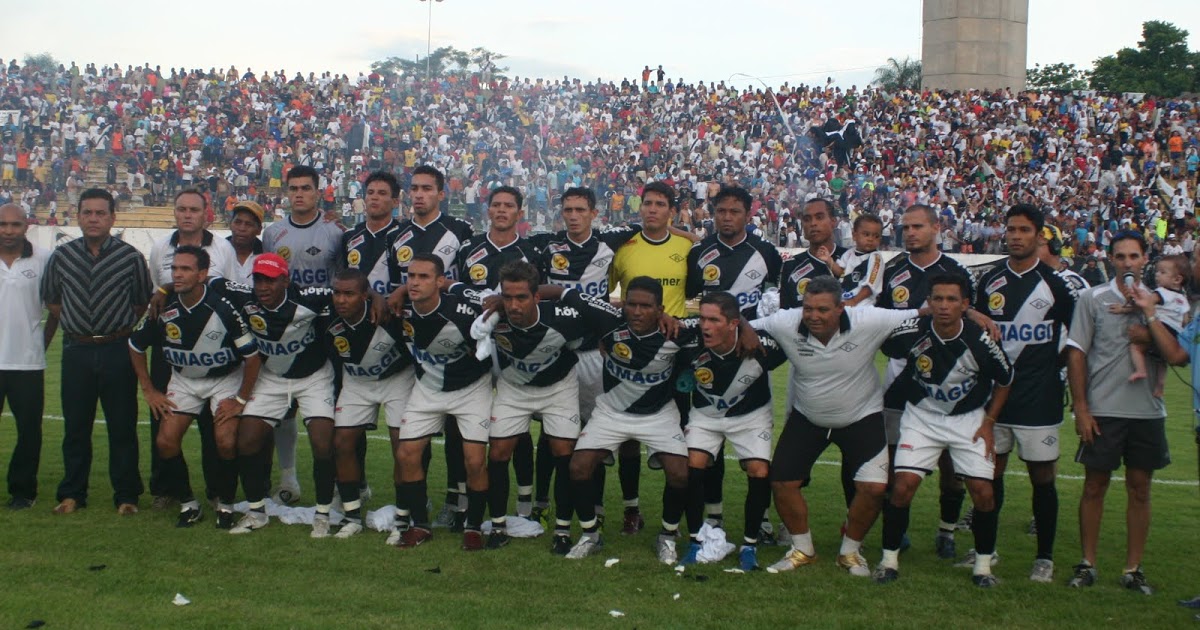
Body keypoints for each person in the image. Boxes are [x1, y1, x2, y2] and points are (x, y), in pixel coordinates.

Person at [751, 277, 919, 576]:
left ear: (842, 308)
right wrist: (741, 329)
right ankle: (803, 549)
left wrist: (974, 313)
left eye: (823, 310)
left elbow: (925, 312)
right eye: (808, 308)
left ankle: (850, 552)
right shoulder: (785, 321)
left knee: (873, 488)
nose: (814, 316)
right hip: (808, 417)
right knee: (781, 482)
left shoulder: (869, 319)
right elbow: (741, 323)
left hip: (861, 416)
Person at [1065, 231, 1189, 594]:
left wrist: (1149, 321)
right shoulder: (1092, 297)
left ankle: (1133, 569)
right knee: (1094, 486)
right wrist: (1082, 407)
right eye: (1120, 256)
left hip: (1148, 409)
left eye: (1134, 256)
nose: (1127, 263)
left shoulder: (1162, 301)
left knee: (1140, 489)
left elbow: (1175, 353)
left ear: (1145, 259)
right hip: (1103, 408)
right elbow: (1076, 352)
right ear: (1111, 259)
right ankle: (1087, 563)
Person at [876, 273, 1013, 587]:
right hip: (921, 418)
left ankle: (982, 568)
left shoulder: (980, 340)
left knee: (984, 493)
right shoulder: (912, 332)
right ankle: (888, 562)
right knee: (902, 487)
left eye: (952, 299)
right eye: (937, 298)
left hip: (968, 420)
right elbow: (879, 339)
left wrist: (989, 423)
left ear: (965, 304)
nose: (943, 305)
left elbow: (1005, 381)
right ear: (929, 302)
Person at [561, 277, 701, 564]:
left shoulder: (677, 332)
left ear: (660, 309)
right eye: (631, 304)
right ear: (622, 304)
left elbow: (721, 326)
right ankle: (590, 535)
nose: (637, 311)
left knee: (680, 474)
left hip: (658, 414)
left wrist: (746, 327)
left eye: (646, 306)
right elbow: (562, 292)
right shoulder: (608, 320)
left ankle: (668, 535)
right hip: (611, 411)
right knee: (578, 467)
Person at [971, 204, 1077, 582]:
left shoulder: (1057, 284)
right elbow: (973, 323)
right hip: (994, 397)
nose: (1016, 236)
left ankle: (1044, 558)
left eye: (1024, 230)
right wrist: (974, 314)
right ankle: (986, 550)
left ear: (1039, 235)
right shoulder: (989, 280)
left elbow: (1079, 338)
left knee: (1042, 477)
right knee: (990, 474)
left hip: (1040, 398)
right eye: (1011, 229)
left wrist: (1056, 365)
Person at [128, 246, 261, 529]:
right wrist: (149, 390)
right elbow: (135, 346)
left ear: (202, 274)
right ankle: (188, 503)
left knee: (225, 440)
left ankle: (225, 504)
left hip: (224, 379)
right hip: (184, 380)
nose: (177, 274)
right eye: (175, 268)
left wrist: (240, 399)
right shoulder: (162, 307)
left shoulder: (223, 307)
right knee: (165, 442)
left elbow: (251, 358)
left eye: (186, 269)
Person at [876, 203, 982, 559]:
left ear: (936, 228)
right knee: (893, 463)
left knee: (951, 468)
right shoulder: (892, 271)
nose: (910, 233)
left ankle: (947, 531)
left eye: (918, 226)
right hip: (899, 374)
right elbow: (879, 319)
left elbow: (969, 320)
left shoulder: (955, 271)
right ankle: (897, 534)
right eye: (906, 227)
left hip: (946, 377)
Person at [212, 253, 342, 537]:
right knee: (246, 441)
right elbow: (210, 283)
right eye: (258, 279)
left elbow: (350, 291)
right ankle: (257, 511)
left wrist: (379, 297)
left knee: (322, 442)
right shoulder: (246, 299)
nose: (263, 287)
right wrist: (164, 289)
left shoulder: (310, 297)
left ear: (286, 280)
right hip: (271, 377)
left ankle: (323, 513)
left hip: (314, 377)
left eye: (270, 280)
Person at [42, 188, 153, 515]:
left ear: (112, 218)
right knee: (76, 427)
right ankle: (72, 493)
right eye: (87, 212)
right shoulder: (62, 257)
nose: (93, 219)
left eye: (100, 213)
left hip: (118, 350)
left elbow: (141, 302)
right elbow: (51, 299)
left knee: (123, 426)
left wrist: (112, 328)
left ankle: (127, 496)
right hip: (76, 350)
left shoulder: (130, 257)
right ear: (77, 216)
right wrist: (80, 325)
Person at [471, 261, 593, 552]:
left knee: (564, 453)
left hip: (559, 386)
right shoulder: (491, 317)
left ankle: (562, 530)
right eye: (508, 297)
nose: (514, 304)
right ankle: (498, 526)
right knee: (498, 452)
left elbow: (589, 332)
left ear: (537, 297)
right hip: (514, 387)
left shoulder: (564, 318)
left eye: (522, 297)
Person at [684, 185, 782, 539]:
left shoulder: (766, 252)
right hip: (712, 354)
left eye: (734, 211)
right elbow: (692, 302)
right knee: (709, 443)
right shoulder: (700, 253)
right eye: (721, 211)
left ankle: (764, 519)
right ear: (713, 213)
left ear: (747, 213)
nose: (727, 217)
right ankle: (714, 515)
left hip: (752, 355)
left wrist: (752, 331)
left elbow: (774, 300)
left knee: (755, 448)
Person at [386, 165, 475, 531]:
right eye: (415, 188)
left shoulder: (462, 232)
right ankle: (416, 500)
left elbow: (469, 282)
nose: (419, 194)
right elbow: (395, 285)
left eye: (427, 188)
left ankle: (457, 501)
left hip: (452, 338)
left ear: (441, 193)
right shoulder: (398, 235)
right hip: (413, 341)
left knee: (457, 429)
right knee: (416, 429)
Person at [606, 181, 693, 534]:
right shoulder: (623, 248)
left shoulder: (688, 247)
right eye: (647, 203)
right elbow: (608, 293)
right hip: (631, 350)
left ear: (671, 211)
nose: (652, 209)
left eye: (660, 204)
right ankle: (631, 510)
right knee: (628, 441)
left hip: (674, 352)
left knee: (679, 440)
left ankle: (678, 520)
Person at [390, 254, 493, 551]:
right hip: (428, 388)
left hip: (471, 389)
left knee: (474, 460)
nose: (415, 282)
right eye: (411, 276)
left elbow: (491, 323)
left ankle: (473, 527)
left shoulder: (462, 311)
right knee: (407, 454)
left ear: (440, 281)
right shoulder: (401, 309)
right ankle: (420, 525)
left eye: (423, 277)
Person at [677, 292, 787, 571]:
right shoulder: (689, 337)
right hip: (705, 414)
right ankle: (696, 540)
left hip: (750, 415)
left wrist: (749, 328)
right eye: (702, 318)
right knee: (692, 467)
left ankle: (749, 544)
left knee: (759, 471)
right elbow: (661, 322)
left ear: (733, 323)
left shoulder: (764, 346)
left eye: (714, 320)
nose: (705, 326)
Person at [145, 189, 238, 510]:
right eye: (181, 209)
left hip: (213, 344)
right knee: (163, 416)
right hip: (170, 344)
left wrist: (164, 287)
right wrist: (161, 289)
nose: (187, 215)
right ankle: (166, 488)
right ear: (174, 212)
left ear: (205, 214)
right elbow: (155, 292)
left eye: (194, 210)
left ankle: (216, 490)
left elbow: (226, 290)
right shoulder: (160, 248)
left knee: (213, 425)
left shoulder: (222, 248)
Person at [261, 164, 346, 506]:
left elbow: (344, 279)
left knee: (335, 410)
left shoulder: (335, 232)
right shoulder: (273, 233)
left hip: (323, 330)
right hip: (285, 330)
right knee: (285, 408)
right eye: (293, 188)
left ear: (318, 192)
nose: (298, 194)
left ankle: (345, 484)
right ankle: (288, 480)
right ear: (286, 192)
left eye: (305, 188)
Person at [324, 268, 413, 540]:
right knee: (341, 443)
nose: (341, 300)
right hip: (357, 382)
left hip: (397, 379)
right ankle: (352, 516)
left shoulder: (388, 313)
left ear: (364, 296)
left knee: (402, 448)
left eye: (349, 294)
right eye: (337, 293)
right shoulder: (323, 314)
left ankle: (403, 518)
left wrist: (380, 298)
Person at [0, 203, 52, 509]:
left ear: (26, 226)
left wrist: (42, 341)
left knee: (29, 432)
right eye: (3, 224)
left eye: (15, 225)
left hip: (27, 363)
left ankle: (23, 492)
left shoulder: (43, 259)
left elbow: (55, 308)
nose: (8, 231)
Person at [1115, 255, 1189, 395]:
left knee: (1135, 346)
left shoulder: (1161, 292)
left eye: (1162, 272)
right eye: (1157, 271)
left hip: (1160, 327)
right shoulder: (1182, 299)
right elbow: (1185, 320)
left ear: (1177, 279)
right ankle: (1160, 386)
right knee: (1163, 360)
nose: (1157, 275)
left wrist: (1123, 308)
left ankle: (1140, 370)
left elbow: (1145, 304)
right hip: (1175, 334)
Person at [778, 198, 847, 310]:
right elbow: (785, 314)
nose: (813, 223)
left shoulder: (851, 258)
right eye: (807, 219)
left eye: (819, 217)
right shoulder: (791, 266)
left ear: (833, 222)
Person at [838, 214, 886, 307]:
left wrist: (854, 301)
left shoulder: (876, 258)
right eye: (866, 234)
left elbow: (870, 286)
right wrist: (829, 261)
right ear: (854, 235)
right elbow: (839, 271)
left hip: (862, 305)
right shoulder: (849, 253)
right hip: (843, 301)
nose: (871, 239)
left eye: (876, 236)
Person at [227, 200, 265, 284]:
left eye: (248, 224)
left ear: (259, 230)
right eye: (237, 222)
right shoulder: (217, 251)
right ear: (230, 224)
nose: (242, 228)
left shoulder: (266, 257)